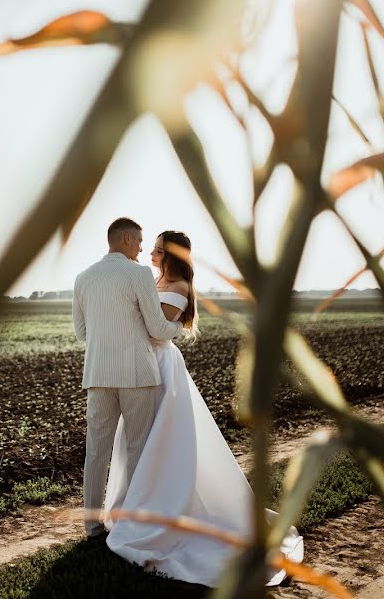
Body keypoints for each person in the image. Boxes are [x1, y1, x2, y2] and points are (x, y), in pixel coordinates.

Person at [100, 229, 304, 587]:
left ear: (173, 255)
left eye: (159, 250)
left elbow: (156, 332)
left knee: (156, 440)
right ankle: (132, 505)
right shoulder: (156, 280)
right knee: (137, 438)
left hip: (160, 368)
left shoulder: (177, 287)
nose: (151, 254)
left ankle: (153, 510)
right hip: (143, 365)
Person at [72, 218, 184, 539]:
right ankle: (132, 525)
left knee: (96, 452)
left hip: (97, 375)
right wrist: (181, 326)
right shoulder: (139, 274)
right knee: (137, 449)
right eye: (138, 242)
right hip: (137, 374)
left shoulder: (83, 278)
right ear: (125, 238)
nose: (140, 249)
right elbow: (157, 329)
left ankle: (92, 526)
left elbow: (82, 333)